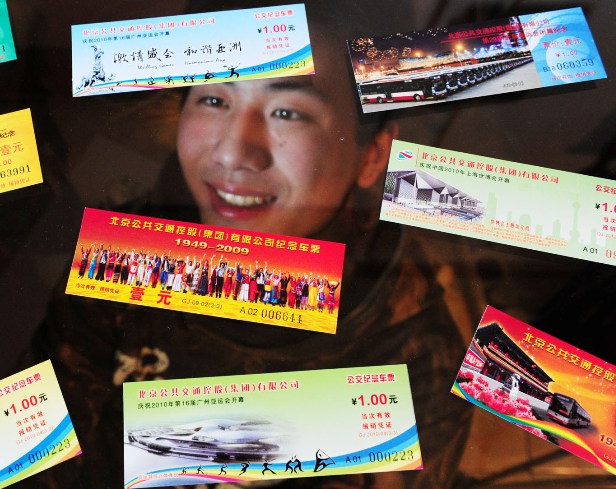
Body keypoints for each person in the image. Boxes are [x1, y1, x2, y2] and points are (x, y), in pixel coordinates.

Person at [38, 1, 473, 487]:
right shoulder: (120, 258)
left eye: (287, 112)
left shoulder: (414, 361)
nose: (232, 153)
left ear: (373, 154)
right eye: (214, 99)